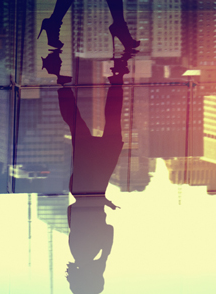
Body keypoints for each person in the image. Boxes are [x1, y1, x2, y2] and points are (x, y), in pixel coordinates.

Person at [59, 53, 132, 294]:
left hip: (92, 184)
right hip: (86, 185)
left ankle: (117, 78)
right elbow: (73, 212)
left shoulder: (86, 252)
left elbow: (107, 229)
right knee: (79, 126)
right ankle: (62, 81)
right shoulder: (79, 252)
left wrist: (106, 256)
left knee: (106, 129)